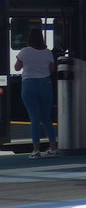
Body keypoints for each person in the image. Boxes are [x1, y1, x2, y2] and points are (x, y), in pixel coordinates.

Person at [17, 27, 58, 159]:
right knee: (46, 118)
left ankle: (36, 150)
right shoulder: (47, 52)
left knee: (34, 118)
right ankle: (53, 147)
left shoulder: (24, 51)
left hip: (29, 85)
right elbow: (52, 69)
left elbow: (17, 67)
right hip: (45, 85)